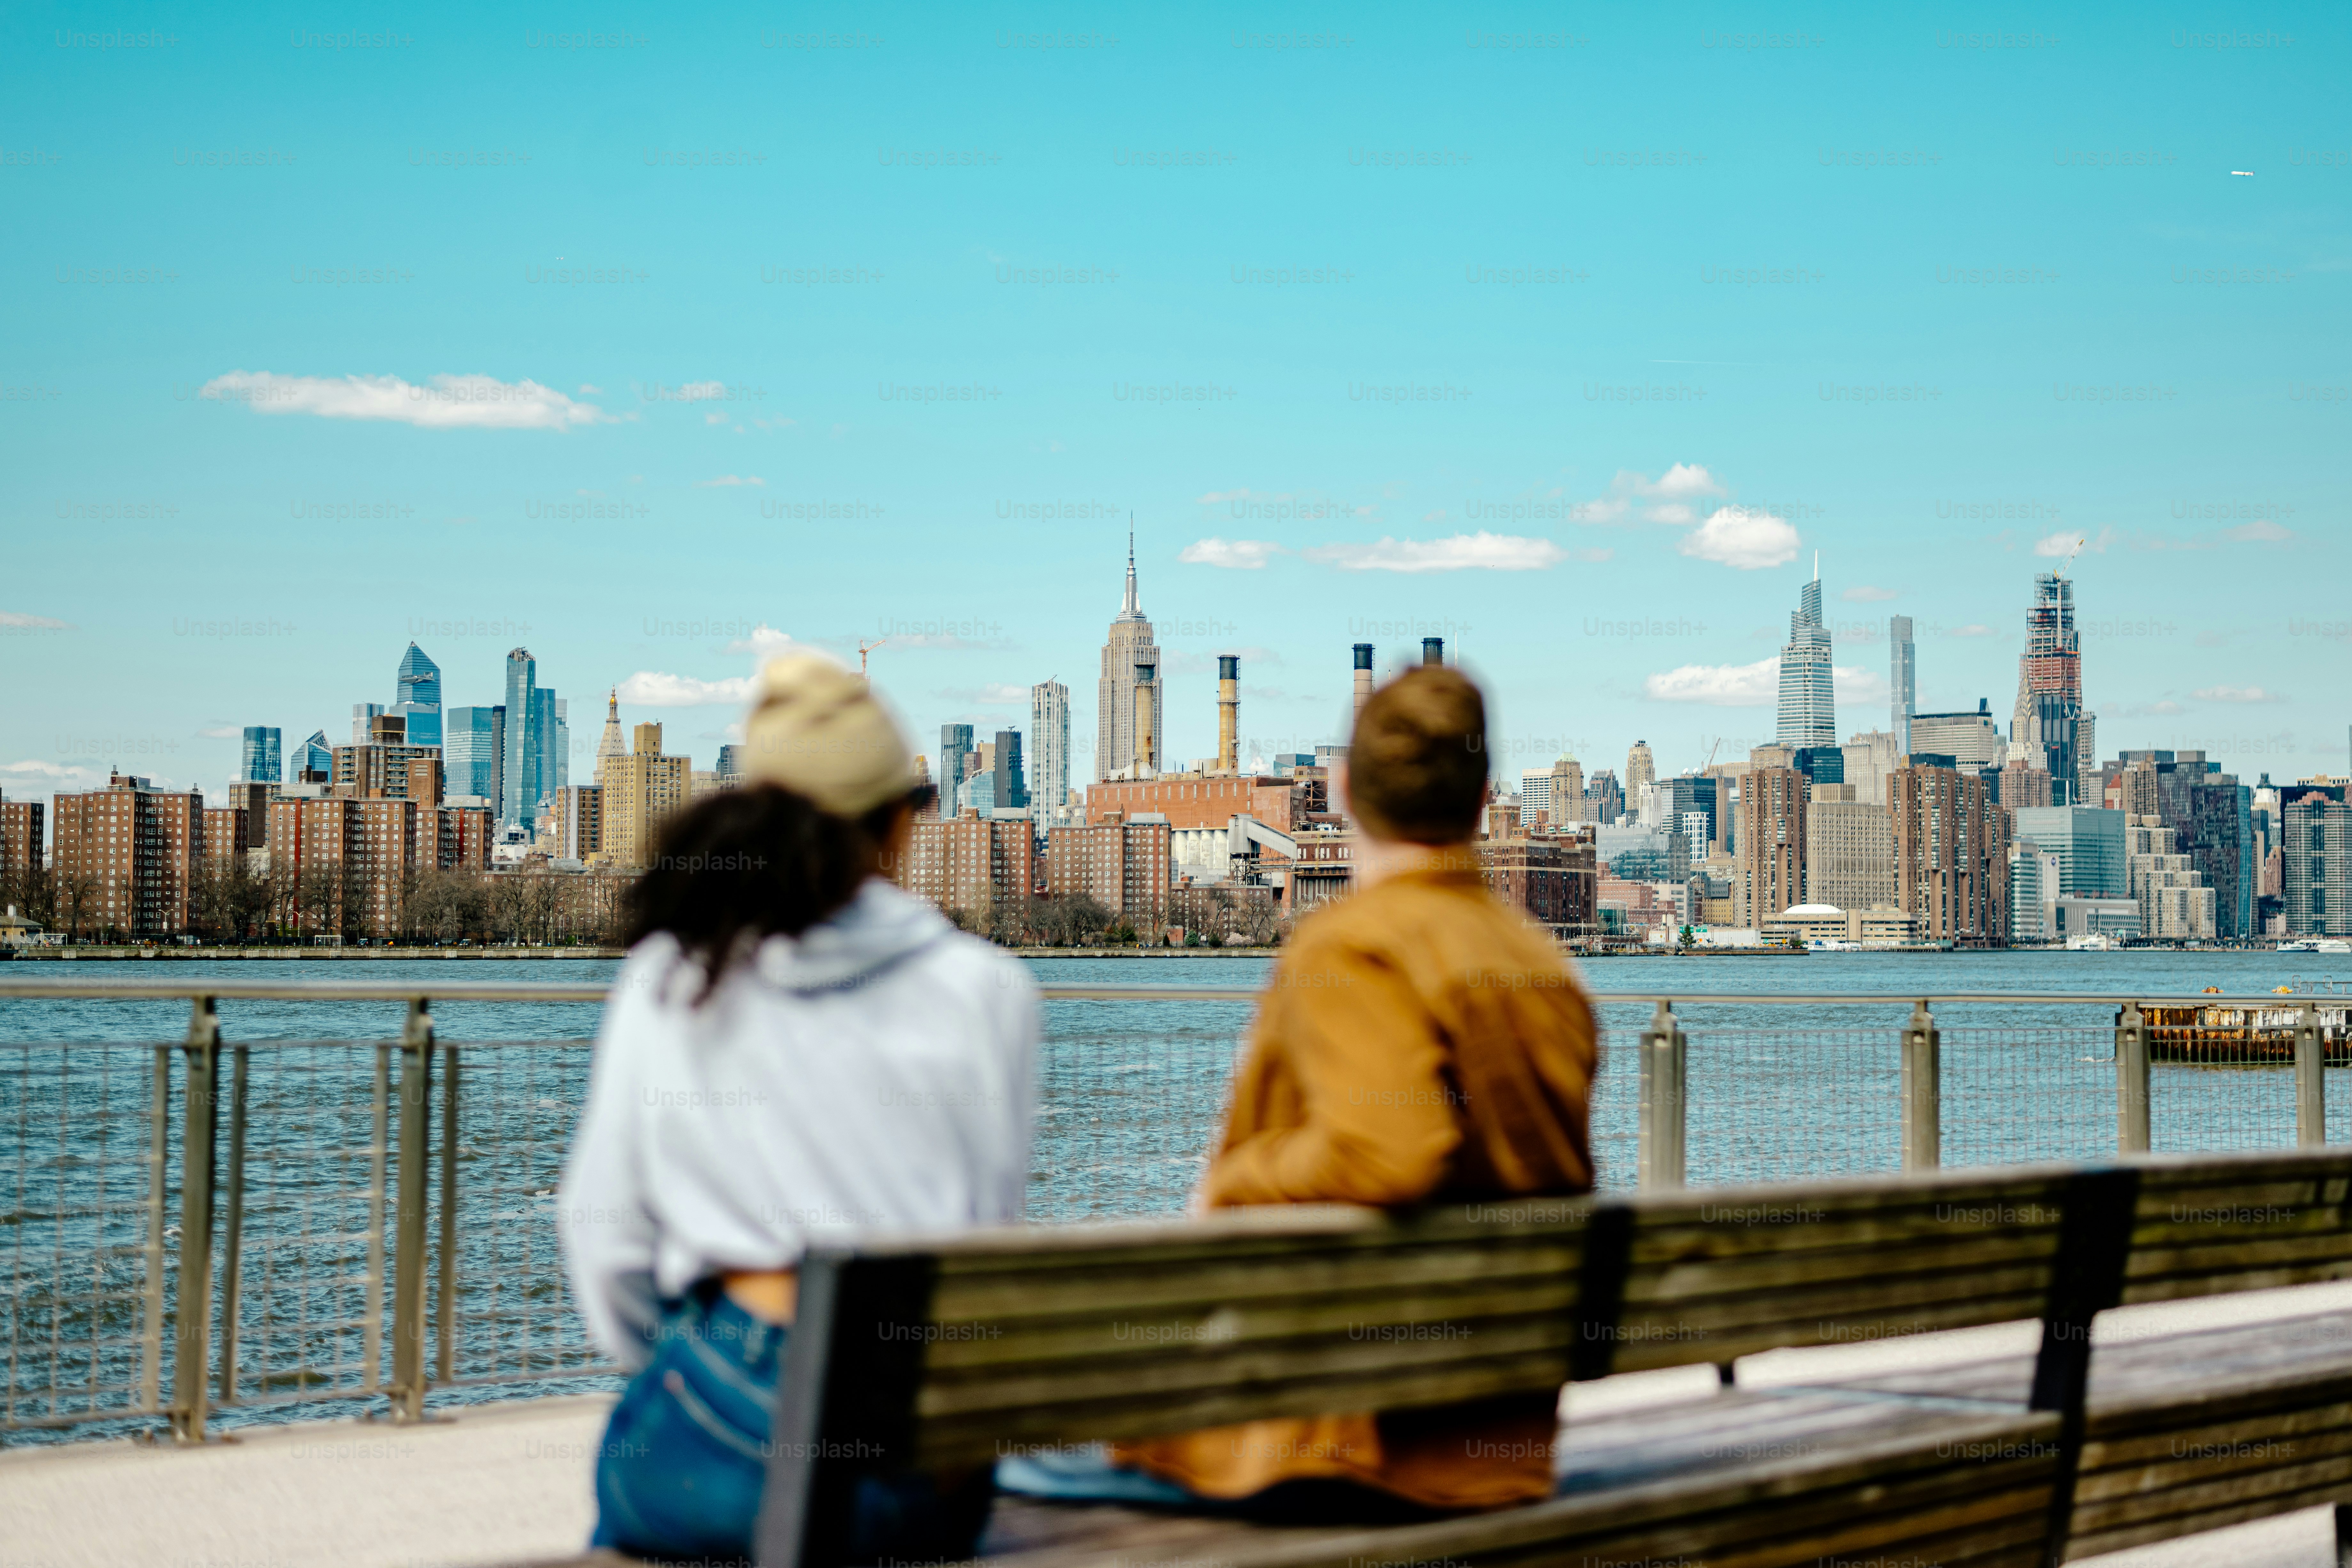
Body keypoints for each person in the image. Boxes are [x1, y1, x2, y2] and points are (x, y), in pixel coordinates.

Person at [1002, 663, 1597, 1517]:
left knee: (1023, 1474)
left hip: (1352, 1455)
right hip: (1498, 1449)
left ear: (1345, 788)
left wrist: (1230, 1183)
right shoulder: (1542, 964)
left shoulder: (1355, 948)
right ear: (1480, 801)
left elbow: (1387, 1152)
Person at [558, 654, 1038, 1563]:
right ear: (900, 819)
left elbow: (604, 1233)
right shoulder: (986, 988)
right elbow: (988, 1231)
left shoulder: (675, 973)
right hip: (916, 1453)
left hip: (731, 1399)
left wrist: (681, 1366)